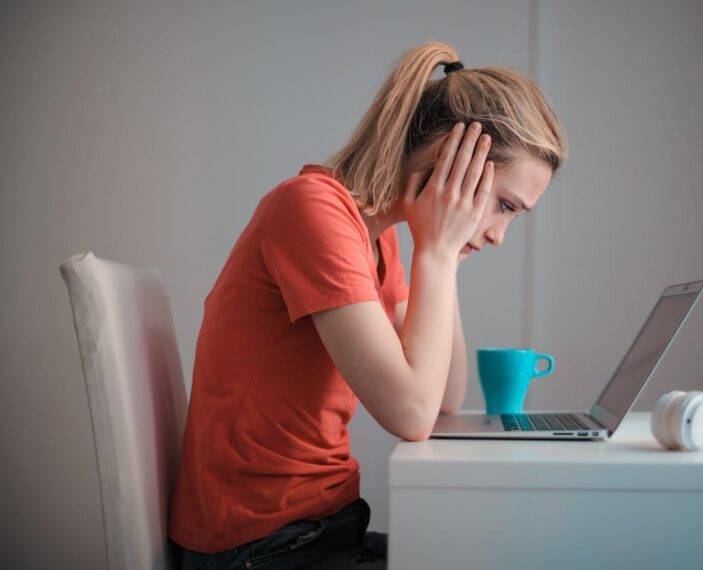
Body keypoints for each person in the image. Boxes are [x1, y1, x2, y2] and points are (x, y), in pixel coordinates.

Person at [168, 40, 568, 569]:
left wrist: (445, 252)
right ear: (454, 161)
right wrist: (439, 253)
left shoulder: (376, 238)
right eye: (504, 206)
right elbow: (411, 414)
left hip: (319, 529)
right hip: (259, 546)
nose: (499, 235)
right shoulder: (312, 211)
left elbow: (443, 396)